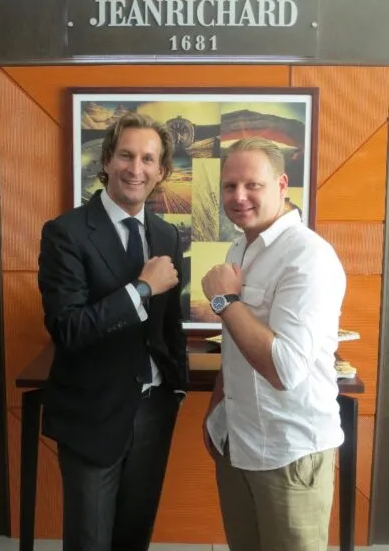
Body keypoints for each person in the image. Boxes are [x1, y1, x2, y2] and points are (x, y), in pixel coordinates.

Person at [38, 112, 188, 551]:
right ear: (106, 160)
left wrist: (176, 388)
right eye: (126, 155)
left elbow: (169, 323)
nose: (135, 168)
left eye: (148, 159)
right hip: (93, 414)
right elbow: (68, 328)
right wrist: (140, 289)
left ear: (161, 171)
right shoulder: (65, 233)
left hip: (153, 411)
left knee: (133, 539)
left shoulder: (166, 234)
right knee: (90, 542)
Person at [201, 137, 346, 551]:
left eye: (253, 185)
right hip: (238, 441)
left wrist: (224, 301)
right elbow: (235, 346)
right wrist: (216, 409)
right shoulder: (240, 246)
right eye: (229, 186)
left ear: (282, 185)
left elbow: (284, 369)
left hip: (289, 452)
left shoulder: (309, 257)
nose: (239, 196)